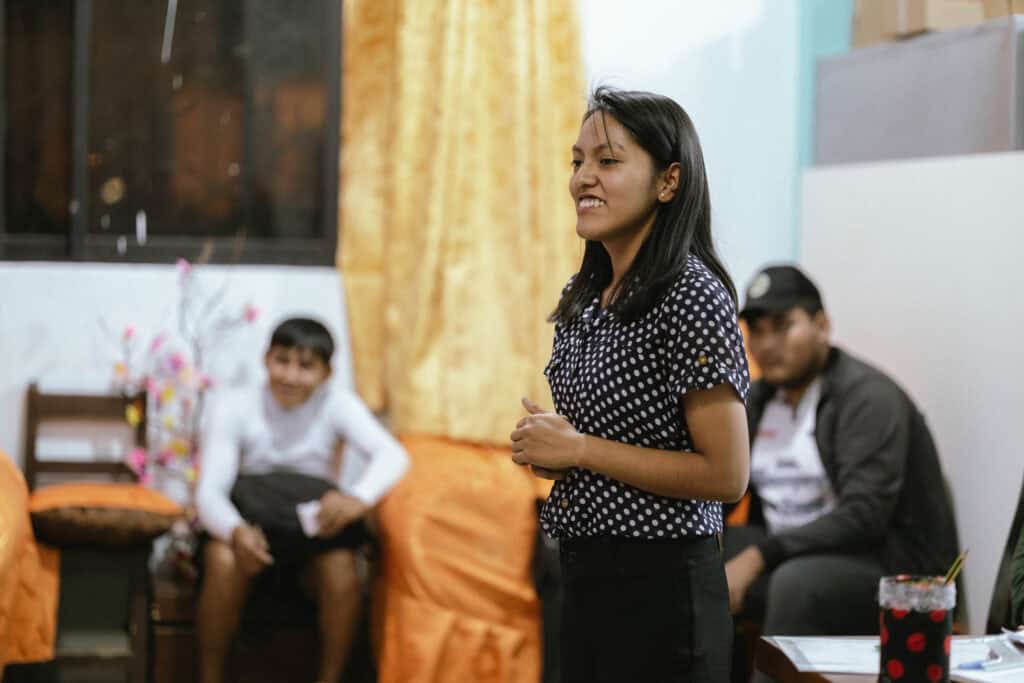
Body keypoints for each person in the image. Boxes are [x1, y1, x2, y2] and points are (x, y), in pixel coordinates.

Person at [509, 86, 752, 682]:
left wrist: (580, 450)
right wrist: (556, 450)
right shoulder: (588, 294)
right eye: (578, 161)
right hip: (588, 578)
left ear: (668, 182)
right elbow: (613, 440)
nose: (583, 179)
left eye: (608, 161)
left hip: (664, 593)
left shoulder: (691, 294)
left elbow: (726, 475)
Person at [725, 264, 959, 643]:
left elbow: (864, 516)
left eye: (783, 326)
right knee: (691, 557)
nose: (767, 345)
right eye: (757, 331)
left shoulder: (868, 398)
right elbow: (725, 487)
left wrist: (759, 556)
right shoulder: (759, 399)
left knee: (796, 584)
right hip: (791, 547)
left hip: (890, 567)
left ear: (822, 326)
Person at [195, 317, 409, 683]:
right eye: (282, 361)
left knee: (343, 569)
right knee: (222, 558)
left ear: (327, 372)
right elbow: (210, 492)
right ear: (266, 359)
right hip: (251, 525)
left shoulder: (338, 403)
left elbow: (393, 456)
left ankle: (330, 678)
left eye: (306, 366)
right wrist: (235, 532)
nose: (290, 376)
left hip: (313, 531)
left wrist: (357, 498)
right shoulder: (233, 404)